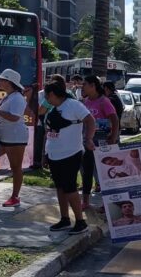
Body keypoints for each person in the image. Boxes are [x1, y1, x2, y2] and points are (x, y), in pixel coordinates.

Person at [42, 81, 96, 234]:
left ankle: (80, 221)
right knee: (60, 187)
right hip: (54, 154)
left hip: (70, 153)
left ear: (52, 94)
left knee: (70, 188)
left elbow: (90, 120)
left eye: (47, 96)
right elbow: (49, 132)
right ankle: (64, 218)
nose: (46, 99)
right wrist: (45, 154)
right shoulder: (54, 108)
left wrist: (88, 139)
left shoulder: (73, 105)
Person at [0, 69, 28, 207]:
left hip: (15, 136)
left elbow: (15, 117)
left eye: (2, 79)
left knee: (15, 167)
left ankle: (15, 196)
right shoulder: (8, 96)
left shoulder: (17, 97)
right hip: (4, 135)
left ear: (9, 82)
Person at [80, 75, 120, 210]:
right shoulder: (85, 102)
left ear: (93, 86)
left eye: (85, 84)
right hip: (88, 142)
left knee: (104, 172)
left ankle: (106, 203)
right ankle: (85, 201)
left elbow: (114, 120)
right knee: (87, 171)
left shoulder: (104, 101)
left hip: (102, 141)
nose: (82, 86)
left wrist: (113, 138)